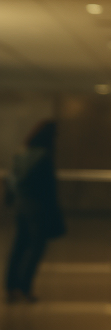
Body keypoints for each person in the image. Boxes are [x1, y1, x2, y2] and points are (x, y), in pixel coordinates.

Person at [5, 119, 64, 303]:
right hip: (38, 207)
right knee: (36, 247)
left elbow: (11, 179)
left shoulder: (22, 154)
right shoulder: (44, 157)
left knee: (19, 246)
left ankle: (11, 287)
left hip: (21, 205)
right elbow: (48, 188)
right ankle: (25, 288)